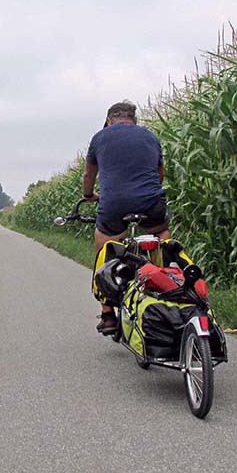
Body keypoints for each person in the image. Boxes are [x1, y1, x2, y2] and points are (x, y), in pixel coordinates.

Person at [83, 100, 171, 335]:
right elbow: (159, 172)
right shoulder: (150, 136)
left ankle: (108, 314)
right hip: (150, 203)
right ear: (134, 119)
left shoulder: (100, 137)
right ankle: (165, 284)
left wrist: (89, 194)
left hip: (113, 205)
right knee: (162, 232)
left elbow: (88, 173)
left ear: (109, 120)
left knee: (105, 250)